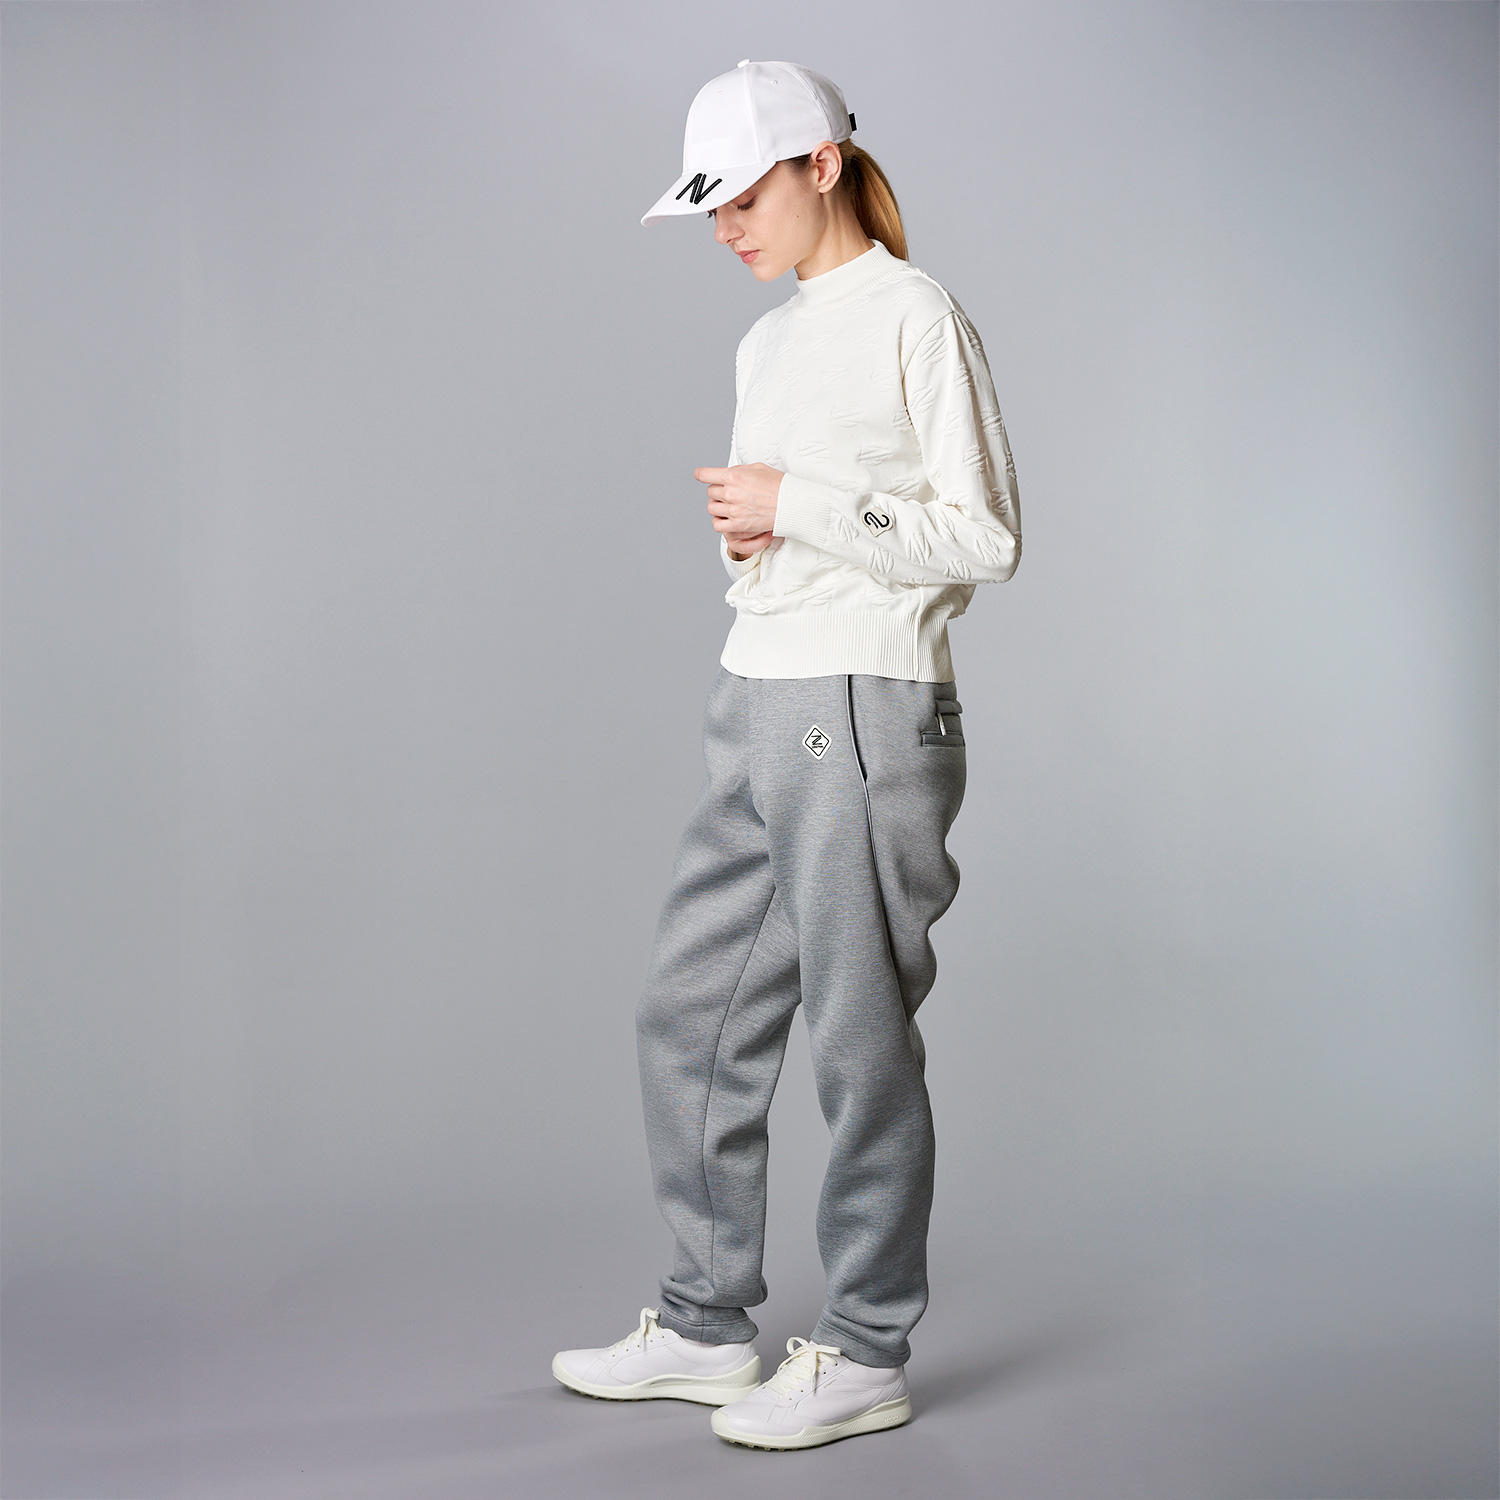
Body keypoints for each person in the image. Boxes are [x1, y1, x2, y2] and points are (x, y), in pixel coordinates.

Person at [551, 58, 1022, 1451]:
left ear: (822, 164)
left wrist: (796, 504)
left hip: (864, 707)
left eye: (742, 197)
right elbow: (791, 536)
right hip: (753, 692)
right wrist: (757, 537)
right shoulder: (767, 343)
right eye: (709, 209)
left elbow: (986, 537)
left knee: (857, 1034)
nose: (726, 229)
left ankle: (867, 1346)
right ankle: (707, 1323)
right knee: (692, 1014)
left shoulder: (916, 316)